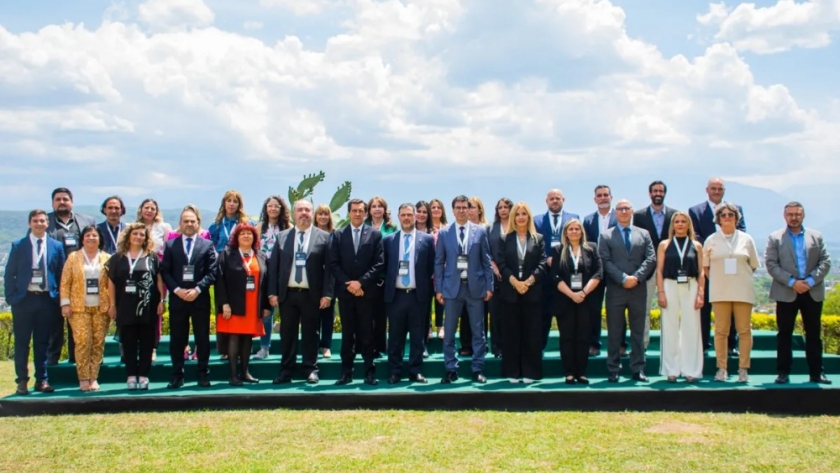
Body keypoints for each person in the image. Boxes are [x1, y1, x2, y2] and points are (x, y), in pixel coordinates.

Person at [765, 202, 832, 385]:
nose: (794, 218)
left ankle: (817, 373)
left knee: (814, 334)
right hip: (786, 291)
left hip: (812, 291)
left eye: (797, 214)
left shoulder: (816, 236)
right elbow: (771, 264)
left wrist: (809, 281)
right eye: (790, 214)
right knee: (784, 334)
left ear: (803, 215)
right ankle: (783, 372)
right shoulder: (775, 238)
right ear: (784, 216)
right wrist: (792, 282)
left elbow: (825, 262)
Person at [268, 200, 334, 385]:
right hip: (287, 294)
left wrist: (327, 294)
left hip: (311, 295)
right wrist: (272, 293)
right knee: (287, 334)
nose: (303, 213)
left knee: (311, 334)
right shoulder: (282, 237)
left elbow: (330, 269)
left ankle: (310, 369)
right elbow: (274, 267)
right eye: (300, 210)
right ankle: (286, 371)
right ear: (293, 213)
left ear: (312, 213)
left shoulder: (324, 237)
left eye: (307, 210)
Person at [5, 210, 65, 395]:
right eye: (35, 221)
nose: (39, 224)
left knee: (43, 342)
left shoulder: (56, 246)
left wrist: (60, 298)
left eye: (42, 221)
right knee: (22, 342)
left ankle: (42, 380)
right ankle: (22, 381)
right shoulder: (18, 245)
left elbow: (61, 274)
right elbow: (10, 273)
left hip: (46, 300)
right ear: (29, 223)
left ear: (47, 223)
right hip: (24, 300)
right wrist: (11, 297)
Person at [435, 195, 494, 384]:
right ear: (453, 210)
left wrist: (489, 286)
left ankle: (477, 369)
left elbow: (486, 260)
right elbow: (439, 262)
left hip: (475, 288)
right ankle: (451, 369)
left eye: (464, 207)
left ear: (469, 210)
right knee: (449, 332)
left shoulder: (480, 231)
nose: (461, 211)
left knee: (478, 331)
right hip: (452, 289)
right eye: (458, 207)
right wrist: (438, 289)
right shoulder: (444, 233)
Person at [598, 199, 655, 382]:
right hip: (616, 289)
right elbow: (605, 261)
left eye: (627, 208)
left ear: (632, 212)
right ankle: (613, 368)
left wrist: (636, 278)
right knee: (614, 331)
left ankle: (638, 369)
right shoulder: (606, 236)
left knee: (638, 332)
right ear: (615, 212)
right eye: (620, 209)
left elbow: (651, 258)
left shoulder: (644, 234)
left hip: (638, 289)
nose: (623, 211)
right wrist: (623, 278)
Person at [330, 198, 385, 385]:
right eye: (354, 210)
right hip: (346, 294)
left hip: (366, 293)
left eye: (361, 210)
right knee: (348, 335)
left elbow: (379, 263)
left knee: (367, 334)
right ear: (348, 213)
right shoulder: (339, 235)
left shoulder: (375, 235)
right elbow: (334, 264)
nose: (357, 213)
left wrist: (361, 283)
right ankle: (346, 373)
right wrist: (350, 284)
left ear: (365, 213)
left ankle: (369, 372)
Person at [161, 206, 218, 389]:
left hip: (199, 299)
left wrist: (198, 289)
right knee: (177, 339)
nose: (189, 224)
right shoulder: (171, 245)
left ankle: (203, 374)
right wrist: (176, 290)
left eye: (193, 221)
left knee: (202, 338)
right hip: (178, 299)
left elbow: (212, 271)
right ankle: (177, 375)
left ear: (198, 223)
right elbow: (165, 271)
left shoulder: (207, 245)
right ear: (180, 223)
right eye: (186, 221)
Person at [703, 202, 759, 383]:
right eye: (723, 215)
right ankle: (722, 368)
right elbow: (705, 267)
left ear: (737, 218)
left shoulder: (746, 239)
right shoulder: (711, 240)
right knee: (721, 331)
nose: (727, 217)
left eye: (730, 214)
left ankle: (743, 369)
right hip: (720, 291)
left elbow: (753, 265)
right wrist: (718, 280)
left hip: (742, 290)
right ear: (718, 219)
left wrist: (739, 277)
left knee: (744, 330)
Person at [689, 178, 745, 355]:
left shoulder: (735, 209)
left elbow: (741, 232)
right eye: (713, 188)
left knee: (731, 305)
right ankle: (703, 344)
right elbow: (695, 235)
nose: (716, 191)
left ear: (724, 190)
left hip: (730, 267)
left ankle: (731, 344)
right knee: (704, 307)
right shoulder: (695, 211)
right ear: (707, 190)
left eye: (720, 189)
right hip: (706, 265)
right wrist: (714, 248)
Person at [106, 222, 165, 390]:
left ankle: (144, 375)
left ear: (146, 238)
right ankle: (131, 375)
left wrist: (162, 301)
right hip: (125, 306)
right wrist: (112, 305)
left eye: (142, 235)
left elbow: (159, 280)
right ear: (128, 236)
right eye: (135, 234)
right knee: (129, 342)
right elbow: (111, 283)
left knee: (147, 342)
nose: (138, 237)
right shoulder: (117, 258)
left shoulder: (152, 257)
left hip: (148, 306)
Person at [383, 203, 435, 384]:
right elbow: (384, 267)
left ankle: (415, 371)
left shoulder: (426, 240)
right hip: (396, 296)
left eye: (409, 215)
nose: (406, 218)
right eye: (403, 215)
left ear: (415, 216)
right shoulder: (389, 240)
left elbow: (430, 266)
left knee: (417, 336)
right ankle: (395, 372)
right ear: (399, 217)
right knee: (395, 337)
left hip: (417, 295)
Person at [495, 202, 546, 383]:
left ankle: (531, 372)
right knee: (511, 333)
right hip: (510, 292)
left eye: (524, 214)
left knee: (532, 333)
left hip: (532, 292)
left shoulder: (538, 238)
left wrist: (528, 282)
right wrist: (515, 282)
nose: (521, 217)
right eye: (517, 214)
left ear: (529, 217)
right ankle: (512, 372)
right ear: (513, 218)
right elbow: (501, 264)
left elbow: (542, 264)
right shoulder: (505, 238)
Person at [215, 223, 269, 386]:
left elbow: (266, 282)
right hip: (233, 305)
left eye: (249, 233)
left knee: (247, 338)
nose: (246, 236)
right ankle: (233, 375)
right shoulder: (226, 254)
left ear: (254, 237)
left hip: (253, 304)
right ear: (236, 237)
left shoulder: (261, 255)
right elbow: (219, 280)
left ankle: (245, 372)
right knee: (234, 337)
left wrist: (266, 306)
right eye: (242, 233)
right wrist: (224, 303)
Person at [46, 187, 95, 365]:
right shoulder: (44, 222)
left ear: (71, 202)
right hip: (54, 282)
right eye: (58, 199)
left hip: (80, 281)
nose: (62, 202)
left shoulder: (86, 221)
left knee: (78, 323)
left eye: (65, 199)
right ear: (53, 203)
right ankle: (52, 363)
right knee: (54, 325)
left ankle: (77, 361)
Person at [59, 225, 111, 391]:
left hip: (101, 307)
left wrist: (113, 305)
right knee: (82, 342)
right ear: (82, 239)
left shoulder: (107, 258)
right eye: (88, 235)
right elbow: (65, 281)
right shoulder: (73, 257)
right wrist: (65, 303)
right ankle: (83, 378)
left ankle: (93, 377)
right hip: (78, 308)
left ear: (100, 239)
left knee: (98, 343)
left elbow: (112, 284)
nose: (91, 238)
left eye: (94, 235)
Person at [551, 218, 602, 384]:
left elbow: (598, 273)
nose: (574, 232)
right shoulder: (558, 250)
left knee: (583, 337)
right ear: (566, 233)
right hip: (565, 300)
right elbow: (554, 275)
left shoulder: (591, 248)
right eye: (570, 229)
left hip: (586, 300)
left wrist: (583, 292)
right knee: (566, 337)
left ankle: (581, 372)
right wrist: (571, 294)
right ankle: (569, 372)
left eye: (577, 229)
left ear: (582, 232)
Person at [656, 212, 705, 383]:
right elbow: (659, 270)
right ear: (672, 225)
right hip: (669, 284)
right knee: (669, 326)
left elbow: (701, 271)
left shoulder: (696, 245)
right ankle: (672, 370)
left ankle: (691, 370)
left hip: (691, 285)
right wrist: (661, 292)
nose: (680, 224)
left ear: (688, 224)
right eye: (677, 221)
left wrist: (701, 293)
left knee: (691, 326)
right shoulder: (664, 245)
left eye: (683, 221)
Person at [208, 190, 252, 360]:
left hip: (240, 266)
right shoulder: (216, 225)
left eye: (235, 201)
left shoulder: (245, 223)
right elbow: (211, 246)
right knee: (223, 307)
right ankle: (226, 349)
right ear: (224, 203)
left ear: (239, 204)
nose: (232, 204)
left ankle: (241, 349)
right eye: (229, 201)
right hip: (222, 266)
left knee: (240, 307)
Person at [632, 181, 677, 349]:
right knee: (644, 309)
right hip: (647, 270)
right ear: (650, 193)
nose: (658, 194)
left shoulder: (674, 215)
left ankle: (670, 346)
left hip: (670, 270)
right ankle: (642, 346)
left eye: (661, 191)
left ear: (665, 193)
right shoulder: (639, 216)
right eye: (655, 191)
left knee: (671, 308)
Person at [535, 189, 580, 351]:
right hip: (544, 275)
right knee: (543, 315)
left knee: (568, 315)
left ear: (563, 200)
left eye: (558, 198)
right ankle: (539, 349)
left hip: (566, 274)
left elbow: (578, 243)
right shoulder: (537, 220)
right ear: (546, 201)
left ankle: (569, 350)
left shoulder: (574, 218)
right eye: (552, 198)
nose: (555, 201)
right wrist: (546, 258)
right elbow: (534, 245)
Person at [253, 196, 291, 360]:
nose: (273, 209)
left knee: (288, 313)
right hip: (264, 273)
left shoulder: (288, 227)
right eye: (270, 206)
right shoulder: (259, 227)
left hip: (284, 273)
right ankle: (264, 347)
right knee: (266, 313)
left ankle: (288, 349)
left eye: (276, 206)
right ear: (266, 208)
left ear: (282, 209)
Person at [582, 185, 616, 356]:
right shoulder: (588, 220)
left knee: (616, 308)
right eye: (599, 195)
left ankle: (619, 344)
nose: (603, 198)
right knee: (593, 309)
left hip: (616, 268)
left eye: (605, 195)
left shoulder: (620, 217)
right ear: (595, 199)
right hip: (595, 270)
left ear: (611, 197)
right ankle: (593, 343)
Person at [458, 196, 491, 357]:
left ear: (480, 210)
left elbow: (488, 256)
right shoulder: (460, 229)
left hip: (479, 279)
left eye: (473, 207)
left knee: (480, 314)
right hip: (461, 277)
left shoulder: (486, 229)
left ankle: (481, 345)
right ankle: (466, 345)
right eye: (467, 207)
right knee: (465, 313)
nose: (469, 210)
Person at [365, 196, 396, 359]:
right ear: (369, 210)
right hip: (366, 278)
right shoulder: (363, 226)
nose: (377, 209)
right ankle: (367, 347)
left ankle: (380, 346)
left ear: (384, 210)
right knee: (366, 315)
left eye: (380, 206)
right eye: (374, 206)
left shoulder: (391, 228)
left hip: (384, 278)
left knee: (381, 315)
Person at [488, 198, 513, 358]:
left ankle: (511, 346)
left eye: (506, 207)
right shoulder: (490, 228)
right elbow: (486, 251)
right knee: (495, 313)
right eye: (500, 207)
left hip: (513, 276)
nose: (503, 210)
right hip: (495, 276)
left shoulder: (517, 226)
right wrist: (494, 267)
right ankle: (497, 348)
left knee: (511, 314)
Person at [314, 204, 336, 358]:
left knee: (328, 315)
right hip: (313, 279)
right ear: (315, 217)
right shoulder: (310, 233)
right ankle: (313, 345)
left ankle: (326, 346)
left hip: (330, 279)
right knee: (313, 315)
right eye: (320, 214)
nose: (323, 217)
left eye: (325, 214)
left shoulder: (335, 234)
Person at [429, 198, 448, 339]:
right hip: (428, 270)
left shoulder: (447, 228)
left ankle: (441, 326)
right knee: (427, 299)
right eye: (433, 207)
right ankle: (429, 327)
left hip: (444, 270)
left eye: (438, 207)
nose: (436, 210)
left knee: (441, 298)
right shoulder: (425, 228)